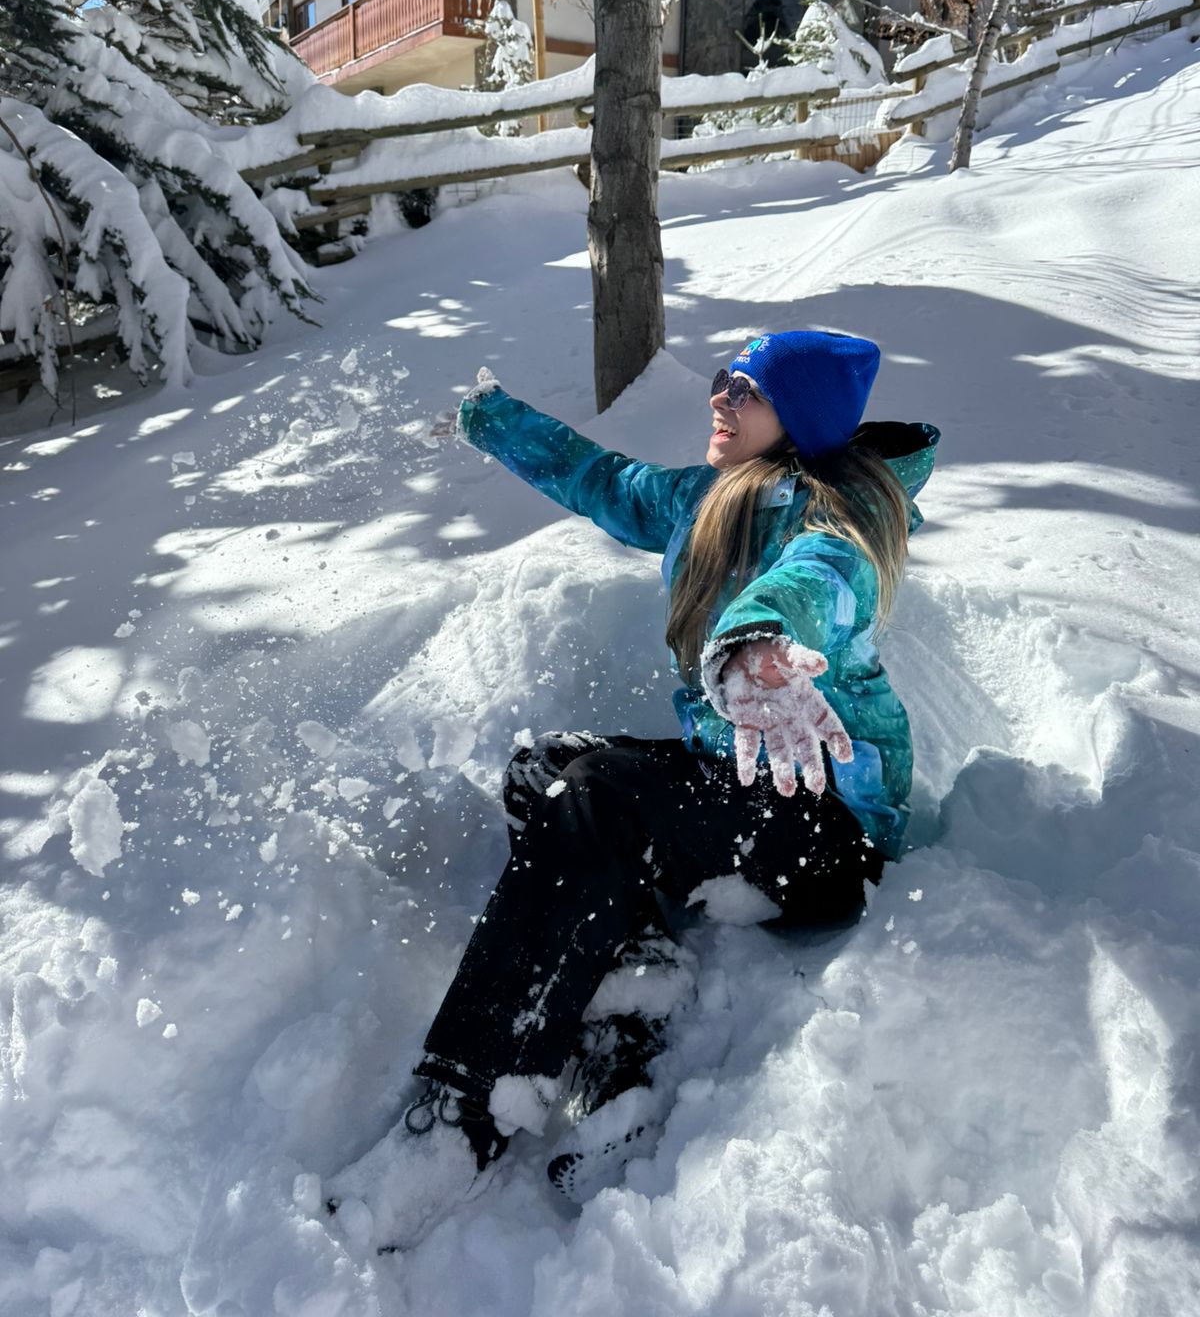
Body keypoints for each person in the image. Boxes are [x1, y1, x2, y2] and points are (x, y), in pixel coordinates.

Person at [325, 329, 939, 1247]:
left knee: (601, 795)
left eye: (748, 390)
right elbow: (607, 481)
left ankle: (464, 1112)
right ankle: (632, 1004)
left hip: (826, 827)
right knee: (546, 771)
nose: (720, 397)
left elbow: (813, 585)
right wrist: (494, 421)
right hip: (742, 785)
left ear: (802, 419)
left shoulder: (837, 519)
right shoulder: (712, 498)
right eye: (725, 380)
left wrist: (755, 645)